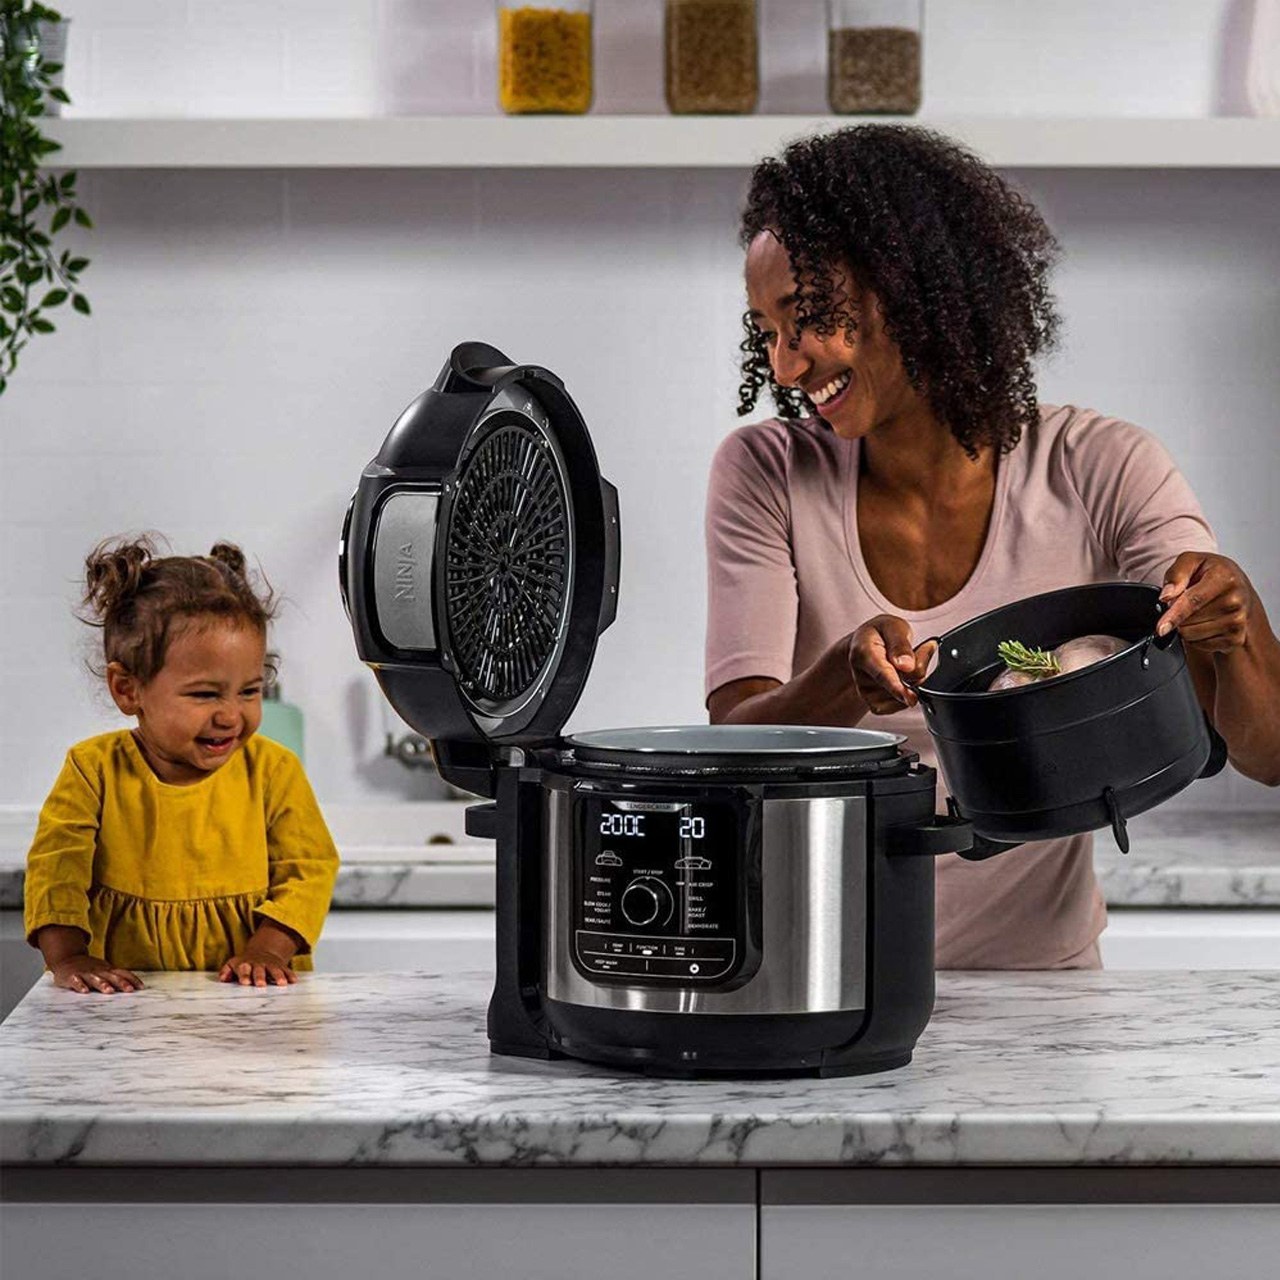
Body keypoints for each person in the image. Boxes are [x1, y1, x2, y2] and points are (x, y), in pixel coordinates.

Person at [705, 124, 1280, 970]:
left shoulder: (1100, 466)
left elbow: (1268, 754)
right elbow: (732, 747)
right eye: (767, 331)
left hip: (1042, 991)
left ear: (905, 285)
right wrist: (843, 677)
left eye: (807, 318)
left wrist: (1233, 620)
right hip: (821, 976)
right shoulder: (766, 470)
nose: (784, 367)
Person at [24, 536, 340, 994]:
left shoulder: (274, 770)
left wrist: (268, 951)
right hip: (124, 1003)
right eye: (205, 694)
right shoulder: (93, 770)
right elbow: (57, 871)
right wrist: (69, 957)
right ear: (128, 689)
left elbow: (308, 869)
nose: (231, 715)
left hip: (246, 997)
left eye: (250, 691)